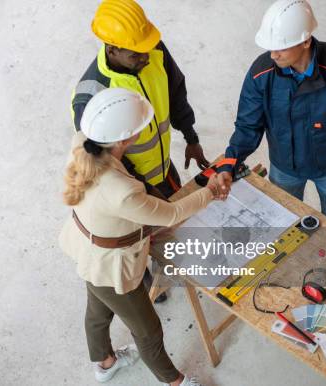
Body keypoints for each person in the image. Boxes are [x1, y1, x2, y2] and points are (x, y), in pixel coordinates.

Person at [60, 88, 223, 386]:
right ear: (124, 140)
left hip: (90, 251)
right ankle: (175, 382)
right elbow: (172, 214)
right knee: (148, 331)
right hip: (112, 266)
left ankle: (105, 363)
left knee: (97, 311)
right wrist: (210, 192)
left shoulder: (83, 143)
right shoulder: (122, 192)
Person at [71, 0, 210, 301]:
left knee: (171, 226)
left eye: (146, 47)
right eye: (136, 54)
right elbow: (101, 160)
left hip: (161, 166)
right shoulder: (92, 97)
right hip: (129, 187)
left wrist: (191, 136)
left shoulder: (151, 49)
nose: (146, 56)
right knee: (138, 235)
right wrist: (145, 193)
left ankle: (162, 262)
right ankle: (144, 275)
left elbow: (176, 92)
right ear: (112, 50)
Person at [215, 0, 326, 228]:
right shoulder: (261, 74)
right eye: (270, 47)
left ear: (305, 41)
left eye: (281, 47)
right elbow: (248, 125)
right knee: (282, 222)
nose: (273, 55)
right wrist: (230, 162)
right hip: (285, 167)